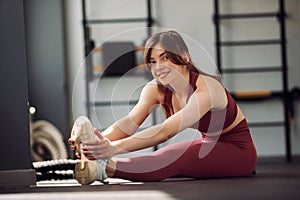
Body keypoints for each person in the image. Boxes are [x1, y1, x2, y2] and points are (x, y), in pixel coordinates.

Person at [68, 30, 257, 184]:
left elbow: (165, 131)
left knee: (172, 155)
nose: (158, 67)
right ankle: (100, 160)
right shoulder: (155, 89)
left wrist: (111, 149)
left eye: (165, 57)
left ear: (184, 58)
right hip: (209, 146)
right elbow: (129, 123)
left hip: (238, 151)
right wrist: (96, 144)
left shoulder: (207, 88)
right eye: (152, 61)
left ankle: (105, 169)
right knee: (173, 156)